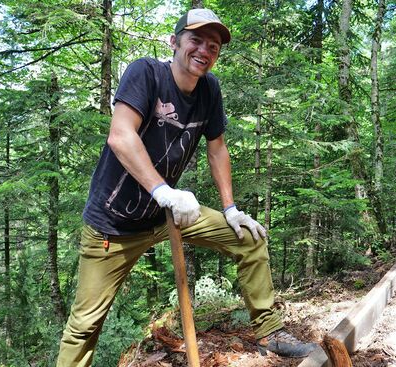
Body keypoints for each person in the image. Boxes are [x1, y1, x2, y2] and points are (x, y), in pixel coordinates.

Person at [57, 8, 316, 366]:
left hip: (167, 216)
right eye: (196, 40)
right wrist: (163, 191)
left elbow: (217, 148)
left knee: (250, 239)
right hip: (112, 226)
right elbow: (120, 136)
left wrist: (230, 209)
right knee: (84, 326)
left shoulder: (209, 89)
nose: (204, 50)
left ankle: (270, 333)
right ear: (174, 41)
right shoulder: (146, 73)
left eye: (213, 46)